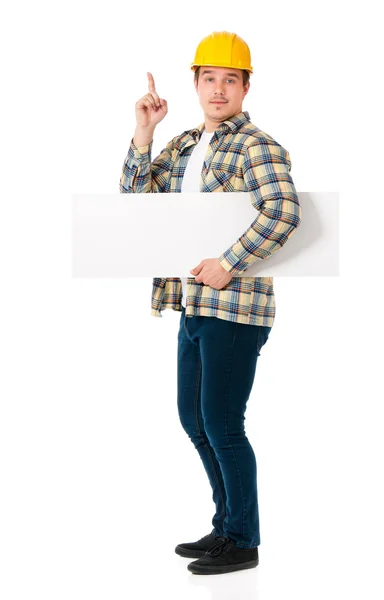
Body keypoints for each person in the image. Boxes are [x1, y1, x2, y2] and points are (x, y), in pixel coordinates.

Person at [120, 31, 302, 575]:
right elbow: (138, 205)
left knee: (222, 423)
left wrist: (230, 261)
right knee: (194, 419)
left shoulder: (258, 146)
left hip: (237, 307)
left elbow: (283, 211)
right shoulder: (182, 144)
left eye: (230, 80)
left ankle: (244, 540)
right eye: (209, 79)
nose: (218, 89)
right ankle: (226, 527)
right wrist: (144, 133)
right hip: (192, 304)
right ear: (196, 84)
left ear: (246, 87)